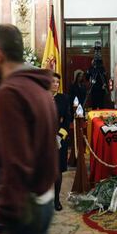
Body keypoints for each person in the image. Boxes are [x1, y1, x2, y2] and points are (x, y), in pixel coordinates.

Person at [0, 24, 58, 234]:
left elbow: (16, 163)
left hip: (22, 209)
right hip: (43, 199)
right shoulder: (41, 88)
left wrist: (2, 219)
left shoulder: (10, 93)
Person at [51, 73, 71, 211]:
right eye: (53, 81)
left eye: (58, 82)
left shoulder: (63, 99)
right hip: (43, 139)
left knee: (58, 171)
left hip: (58, 139)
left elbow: (67, 119)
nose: (56, 84)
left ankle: (56, 199)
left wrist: (60, 136)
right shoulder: (40, 98)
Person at [86, 43, 107, 109]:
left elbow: (105, 77)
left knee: (101, 105)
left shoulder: (102, 68)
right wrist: (88, 72)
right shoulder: (91, 69)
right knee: (94, 105)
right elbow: (87, 78)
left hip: (101, 89)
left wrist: (105, 84)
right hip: (94, 88)